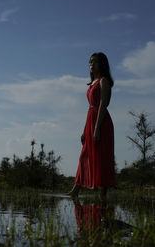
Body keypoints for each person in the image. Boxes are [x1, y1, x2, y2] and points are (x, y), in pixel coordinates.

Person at [66, 52, 116, 203]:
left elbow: (102, 105)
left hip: (101, 122)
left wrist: (96, 128)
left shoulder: (104, 81)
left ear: (102, 64)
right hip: (91, 120)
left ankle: (103, 195)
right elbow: (90, 108)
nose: (91, 65)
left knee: (102, 157)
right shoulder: (92, 83)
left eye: (95, 62)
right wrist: (85, 130)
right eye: (90, 62)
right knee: (84, 156)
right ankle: (75, 190)